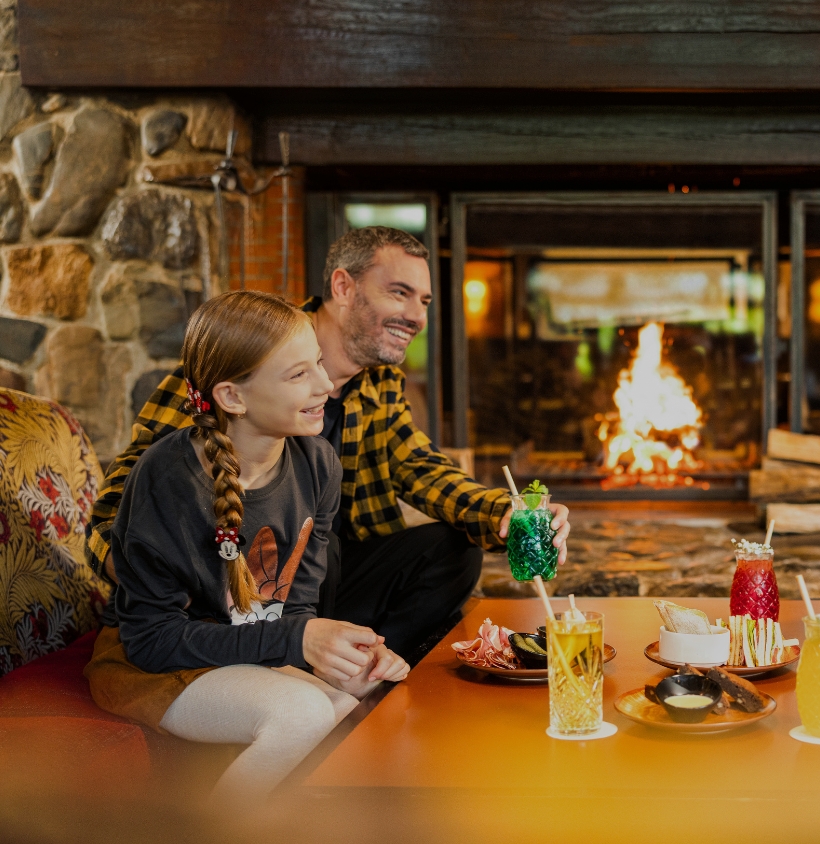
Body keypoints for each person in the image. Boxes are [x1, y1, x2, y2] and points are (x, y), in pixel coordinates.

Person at [87, 226, 571, 659]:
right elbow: (125, 501)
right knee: (325, 546)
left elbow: (417, 465)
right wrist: (187, 595)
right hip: (235, 585)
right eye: (399, 292)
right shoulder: (245, 356)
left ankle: (371, 665)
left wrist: (499, 512)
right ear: (343, 287)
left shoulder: (380, 383)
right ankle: (315, 655)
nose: (416, 315)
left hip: (313, 578)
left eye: (424, 301)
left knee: (450, 548)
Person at [84, 291, 409, 803]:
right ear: (233, 397)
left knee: (359, 693)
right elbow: (151, 641)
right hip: (157, 665)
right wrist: (298, 639)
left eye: (319, 365)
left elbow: (292, 606)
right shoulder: (167, 478)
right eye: (299, 374)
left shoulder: (318, 464)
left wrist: (345, 654)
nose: (326, 385)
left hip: (240, 654)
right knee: (302, 713)